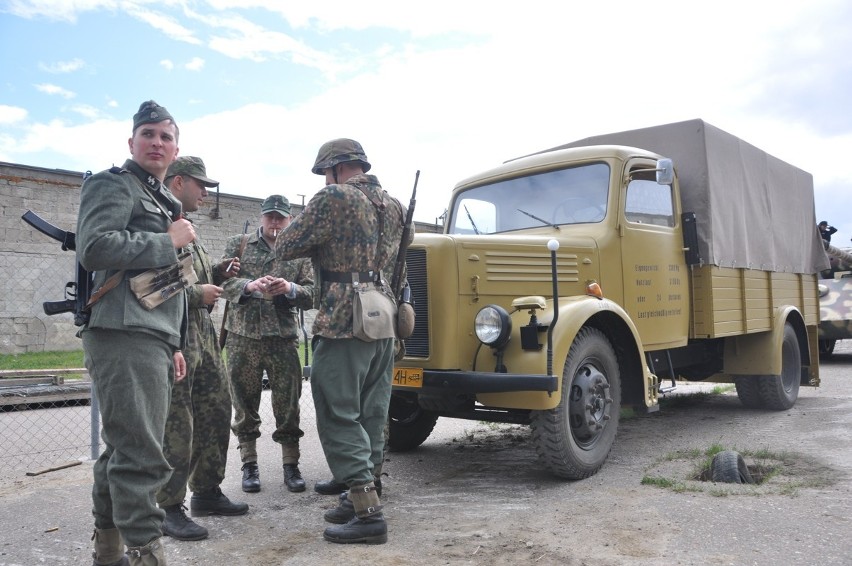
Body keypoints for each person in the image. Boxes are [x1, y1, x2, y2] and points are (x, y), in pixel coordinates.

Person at [274, 138, 412, 545]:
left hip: (342, 320)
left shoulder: (333, 197)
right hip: (383, 318)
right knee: (372, 412)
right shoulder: (395, 204)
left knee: (338, 413)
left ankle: (367, 511)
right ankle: (362, 493)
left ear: (334, 169)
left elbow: (284, 245)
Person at [78, 100, 193, 566]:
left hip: (151, 335)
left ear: (176, 148)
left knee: (124, 448)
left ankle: (108, 553)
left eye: (165, 137)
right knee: (144, 455)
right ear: (132, 142)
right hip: (123, 331)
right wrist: (168, 241)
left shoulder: (165, 199)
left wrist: (175, 341)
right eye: (148, 134)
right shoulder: (114, 184)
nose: (157, 143)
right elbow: (95, 247)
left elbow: (173, 282)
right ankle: (145, 553)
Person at [158, 157, 248, 541]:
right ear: (178, 182)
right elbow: (151, 283)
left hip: (204, 337)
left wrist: (220, 270)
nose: (206, 193)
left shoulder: (188, 226)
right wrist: (198, 293)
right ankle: (167, 507)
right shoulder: (160, 222)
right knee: (179, 424)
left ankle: (206, 491)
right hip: (175, 336)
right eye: (201, 185)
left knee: (215, 411)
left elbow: (193, 275)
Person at [220, 195, 314, 494]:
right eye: (270, 216)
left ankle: (291, 464)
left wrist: (290, 288)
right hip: (242, 338)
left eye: (281, 217)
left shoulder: (299, 252)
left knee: (287, 405)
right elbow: (221, 281)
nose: (275, 222)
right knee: (244, 406)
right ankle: (249, 465)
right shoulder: (240, 244)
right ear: (262, 217)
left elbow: (314, 293)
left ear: (289, 220)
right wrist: (248, 286)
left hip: (282, 340)